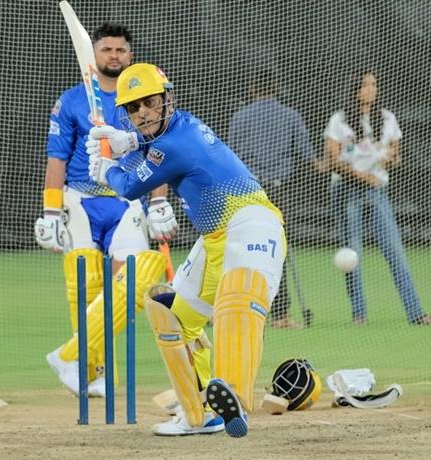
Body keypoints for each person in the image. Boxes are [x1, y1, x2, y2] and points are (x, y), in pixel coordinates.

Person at [88, 63, 286, 437]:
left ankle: (235, 395)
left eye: (149, 102)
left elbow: (131, 186)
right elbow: (151, 148)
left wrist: (107, 166)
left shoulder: (175, 144)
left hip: (252, 220)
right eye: (132, 108)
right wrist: (125, 142)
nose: (142, 112)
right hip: (214, 240)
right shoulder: (179, 127)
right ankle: (199, 415)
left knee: (238, 294)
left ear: (166, 100)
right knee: (168, 313)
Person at [36, 23, 176, 397]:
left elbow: (156, 153)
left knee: (131, 281)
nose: (114, 55)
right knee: (82, 285)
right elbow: (56, 159)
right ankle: (90, 371)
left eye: (121, 50)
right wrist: (50, 211)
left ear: (130, 55)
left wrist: (159, 200)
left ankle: (76, 357)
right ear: (94, 54)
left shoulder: (142, 97)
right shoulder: (71, 101)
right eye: (107, 49)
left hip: (127, 198)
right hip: (80, 199)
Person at [323, 69, 430, 326]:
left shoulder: (387, 118)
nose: (371, 88)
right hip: (346, 191)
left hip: (377, 190)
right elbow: (333, 158)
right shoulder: (339, 119)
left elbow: (395, 154)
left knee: (395, 250)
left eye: (374, 84)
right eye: (365, 84)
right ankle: (359, 315)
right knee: (352, 255)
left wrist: (390, 161)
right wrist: (360, 175)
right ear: (355, 89)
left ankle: (416, 313)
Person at [228, 71, 315, 329]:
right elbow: (307, 154)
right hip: (277, 193)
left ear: (253, 89)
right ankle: (280, 315)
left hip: (247, 193)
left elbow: (231, 156)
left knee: (241, 249)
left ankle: (237, 309)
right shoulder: (290, 115)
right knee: (276, 251)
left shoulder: (240, 116)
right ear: (276, 89)